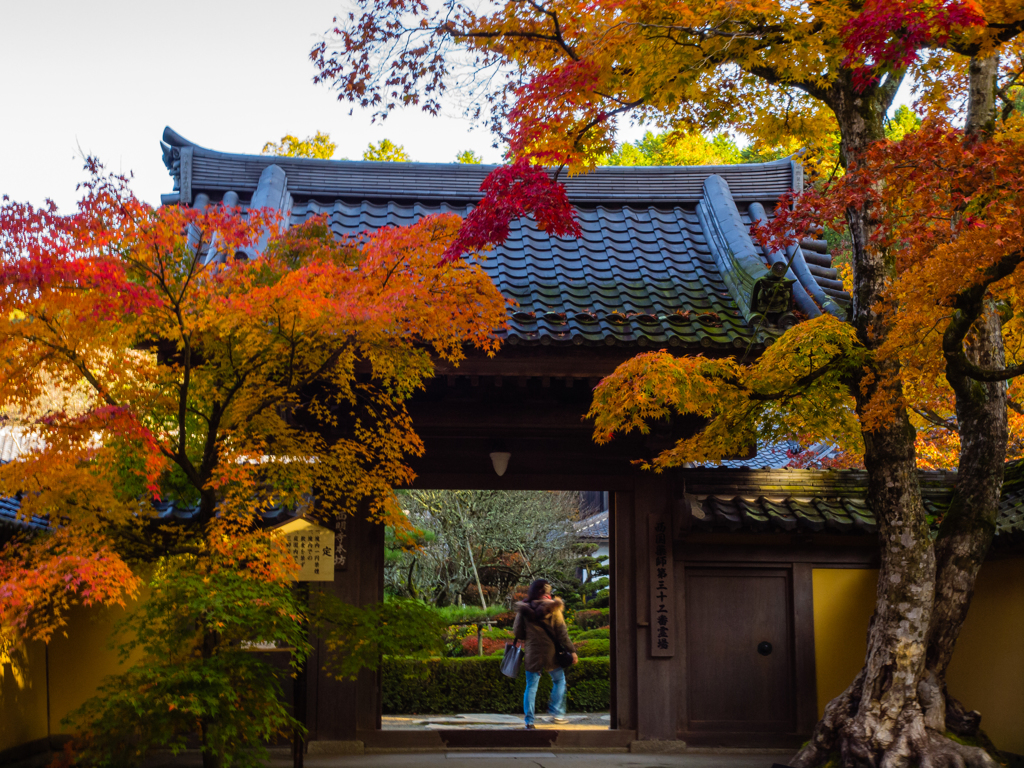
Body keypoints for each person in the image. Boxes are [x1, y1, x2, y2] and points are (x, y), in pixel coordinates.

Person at [512, 578, 578, 729]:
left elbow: (518, 632)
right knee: (559, 680)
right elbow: (562, 633)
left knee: (531, 687)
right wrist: (572, 651)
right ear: (548, 593)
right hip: (551, 654)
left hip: (532, 653)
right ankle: (557, 713)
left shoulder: (524, 608)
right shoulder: (555, 608)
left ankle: (529, 721)